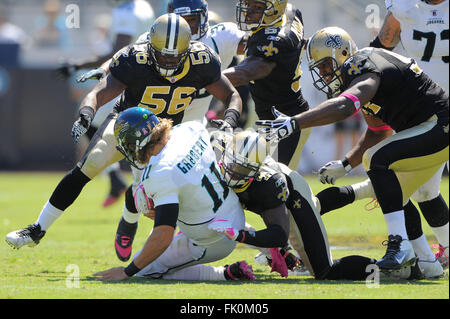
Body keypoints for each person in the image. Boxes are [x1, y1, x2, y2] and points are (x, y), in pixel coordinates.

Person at [5, 14, 243, 254]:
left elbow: (231, 94)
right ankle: (37, 229)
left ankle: (152, 237)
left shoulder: (202, 59)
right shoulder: (134, 58)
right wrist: (87, 114)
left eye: (175, 56)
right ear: (151, 46)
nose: (169, 62)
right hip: (126, 126)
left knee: (160, 193)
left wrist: (230, 121)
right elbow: (98, 93)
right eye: (162, 55)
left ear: (187, 50)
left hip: (166, 135)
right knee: (87, 168)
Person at [256, 26, 449, 271]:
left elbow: (348, 106)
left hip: (439, 124)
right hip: (429, 129)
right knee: (396, 192)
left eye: (326, 66)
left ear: (344, 53)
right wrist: (346, 163)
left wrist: (295, 122)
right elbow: (378, 130)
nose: (325, 75)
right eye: (320, 70)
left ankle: (399, 245)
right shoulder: (363, 70)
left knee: (376, 159)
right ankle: (428, 264)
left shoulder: (362, 63)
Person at [110, 0, 249, 262]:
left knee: (199, 186)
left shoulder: (219, 41)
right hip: (160, 123)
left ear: (205, 18)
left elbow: (259, 53)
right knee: (147, 190)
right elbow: (122, 58)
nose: (190, 26)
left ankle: (265, 240)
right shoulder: (152, 40)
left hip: (194, 128)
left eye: (194, 20)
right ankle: (129, 221)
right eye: (185, 20)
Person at [317, 0, 450, 269]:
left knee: (387, 170)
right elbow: (383, 45)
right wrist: (345, 163)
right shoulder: (404, 9)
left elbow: (382, 44)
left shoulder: (404, 10)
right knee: (422, 190)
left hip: (434, 110)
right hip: (422, 111)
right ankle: (430, 258)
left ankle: (407, 248)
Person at [209, 130, 423, 280]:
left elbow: (278, 233)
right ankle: (366, 189)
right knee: (316, 207)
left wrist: (241, 236)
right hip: (275, 195)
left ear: (256, 172)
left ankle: (396, 270)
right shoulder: (218, 151)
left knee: (324, 271)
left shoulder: (268, 186)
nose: (235, 172)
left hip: (294, 198)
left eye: (244, 170)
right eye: (233, 164)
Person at [93, 107, 254, 282]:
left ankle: (225, 274)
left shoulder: (160, 172)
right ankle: (267, 247)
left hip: (211, 240)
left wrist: (126, 272)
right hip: (233, 215)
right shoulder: (190, 129)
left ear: (137, 142)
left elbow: (163, 236)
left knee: (144, 268)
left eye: (129, 145)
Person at [56, 0, 156, 207]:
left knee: (88, 119)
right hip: (147, 79)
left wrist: (78, 65)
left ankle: (130, 185)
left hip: (127, 81)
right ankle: (118, 179)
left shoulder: (126, 12)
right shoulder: (143, 6)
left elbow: (118, 54)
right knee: (94, 125)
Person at [223, 0, 311, 171]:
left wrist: (207, 78)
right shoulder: (291, 13)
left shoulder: (273, 40)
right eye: (248, 5)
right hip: (274, 120)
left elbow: (250, 70)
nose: (248, 12)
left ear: (276, 9)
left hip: (286, 124)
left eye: (257, 7)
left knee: (279, 184)